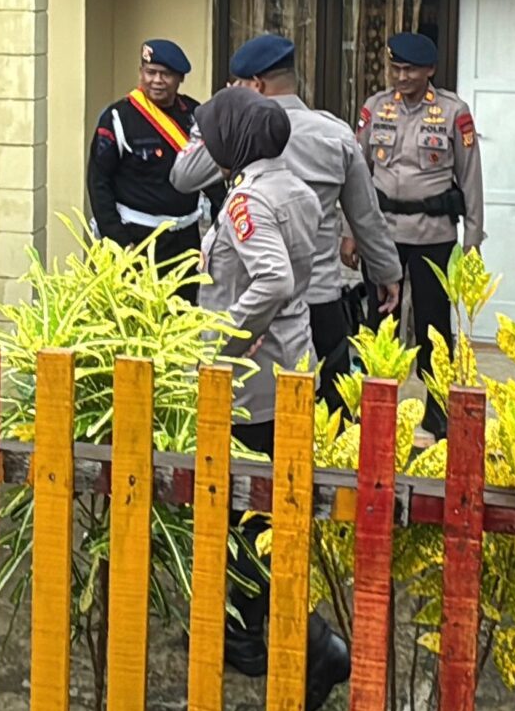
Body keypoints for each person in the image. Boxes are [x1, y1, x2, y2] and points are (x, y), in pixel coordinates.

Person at [188, 85, 351, 711]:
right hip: (290, 361)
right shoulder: (296, 188)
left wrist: (227, 342)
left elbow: (275, 280)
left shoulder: (247, 199)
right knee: (267, 506)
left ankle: (302, 639)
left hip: (252, 377)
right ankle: (256, 631)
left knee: (247, 510)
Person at [174, 33, 401, 405]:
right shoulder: (335, 133)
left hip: (252, 304)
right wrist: (387, 272)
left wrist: (213, 119)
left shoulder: (237, 135)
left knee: (252, 413)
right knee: (326, 415)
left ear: (256, 85)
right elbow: (365, 215)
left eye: (237, 86)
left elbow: (183, 177)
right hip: (320, 297)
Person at [356, 31, 485, 437]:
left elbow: (471, 179)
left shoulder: (453, 112)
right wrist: (349, 231)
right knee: (379, 322)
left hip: (433, 234)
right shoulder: (375, 107)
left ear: (429, 70)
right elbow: (356, 174)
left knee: (434, 325)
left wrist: (473, 242)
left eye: (410, 69)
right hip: (382, 234)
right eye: (395, 68)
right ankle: (376, 407)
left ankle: (437, 408)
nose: (401, 76)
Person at [87, 38, 218, 287]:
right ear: (141, 73)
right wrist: (119, 240)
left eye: (165, 74)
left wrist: (220, 229)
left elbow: (209, 174)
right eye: (151, 72)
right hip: (136, 238)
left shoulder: (195, 115)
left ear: (180, 79)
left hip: (185, 240)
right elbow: (98, 182)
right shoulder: (118, 118)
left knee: (185, 306)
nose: (157, 80)